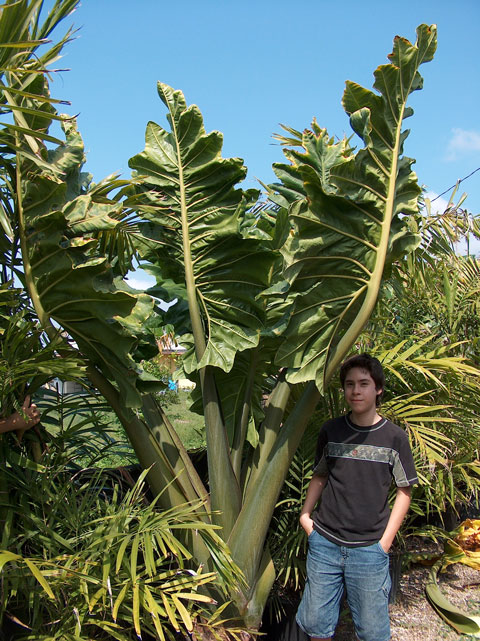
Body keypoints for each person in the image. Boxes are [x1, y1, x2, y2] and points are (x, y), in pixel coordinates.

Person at [296, 353, 417, 641]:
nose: (356, 391)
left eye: (364, 384)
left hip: (369, 550)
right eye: (350, 384)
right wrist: (305, 517)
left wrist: (384, 543)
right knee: (316, 625)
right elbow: (321, 475)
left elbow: (404, 490)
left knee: (373, 633)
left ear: (378, 389)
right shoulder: (331, 430)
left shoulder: (394, 438)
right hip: (325, 543)